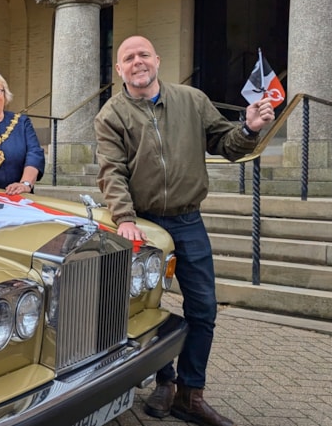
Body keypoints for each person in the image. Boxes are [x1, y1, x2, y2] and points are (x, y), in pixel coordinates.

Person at [95, 35, 274, 426]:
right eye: (128, 57)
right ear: (119, 69)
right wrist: (124, 217)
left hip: (188, 220)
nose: (137, 62)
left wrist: (249, 127)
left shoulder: (192, 101)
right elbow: (112, 171)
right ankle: (164, 381)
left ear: (157, 60)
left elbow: (227, 145)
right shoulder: (111, 114)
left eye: (143, 54)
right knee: (148, 308)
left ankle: (190, 394)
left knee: (203, 308)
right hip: (141, 225)